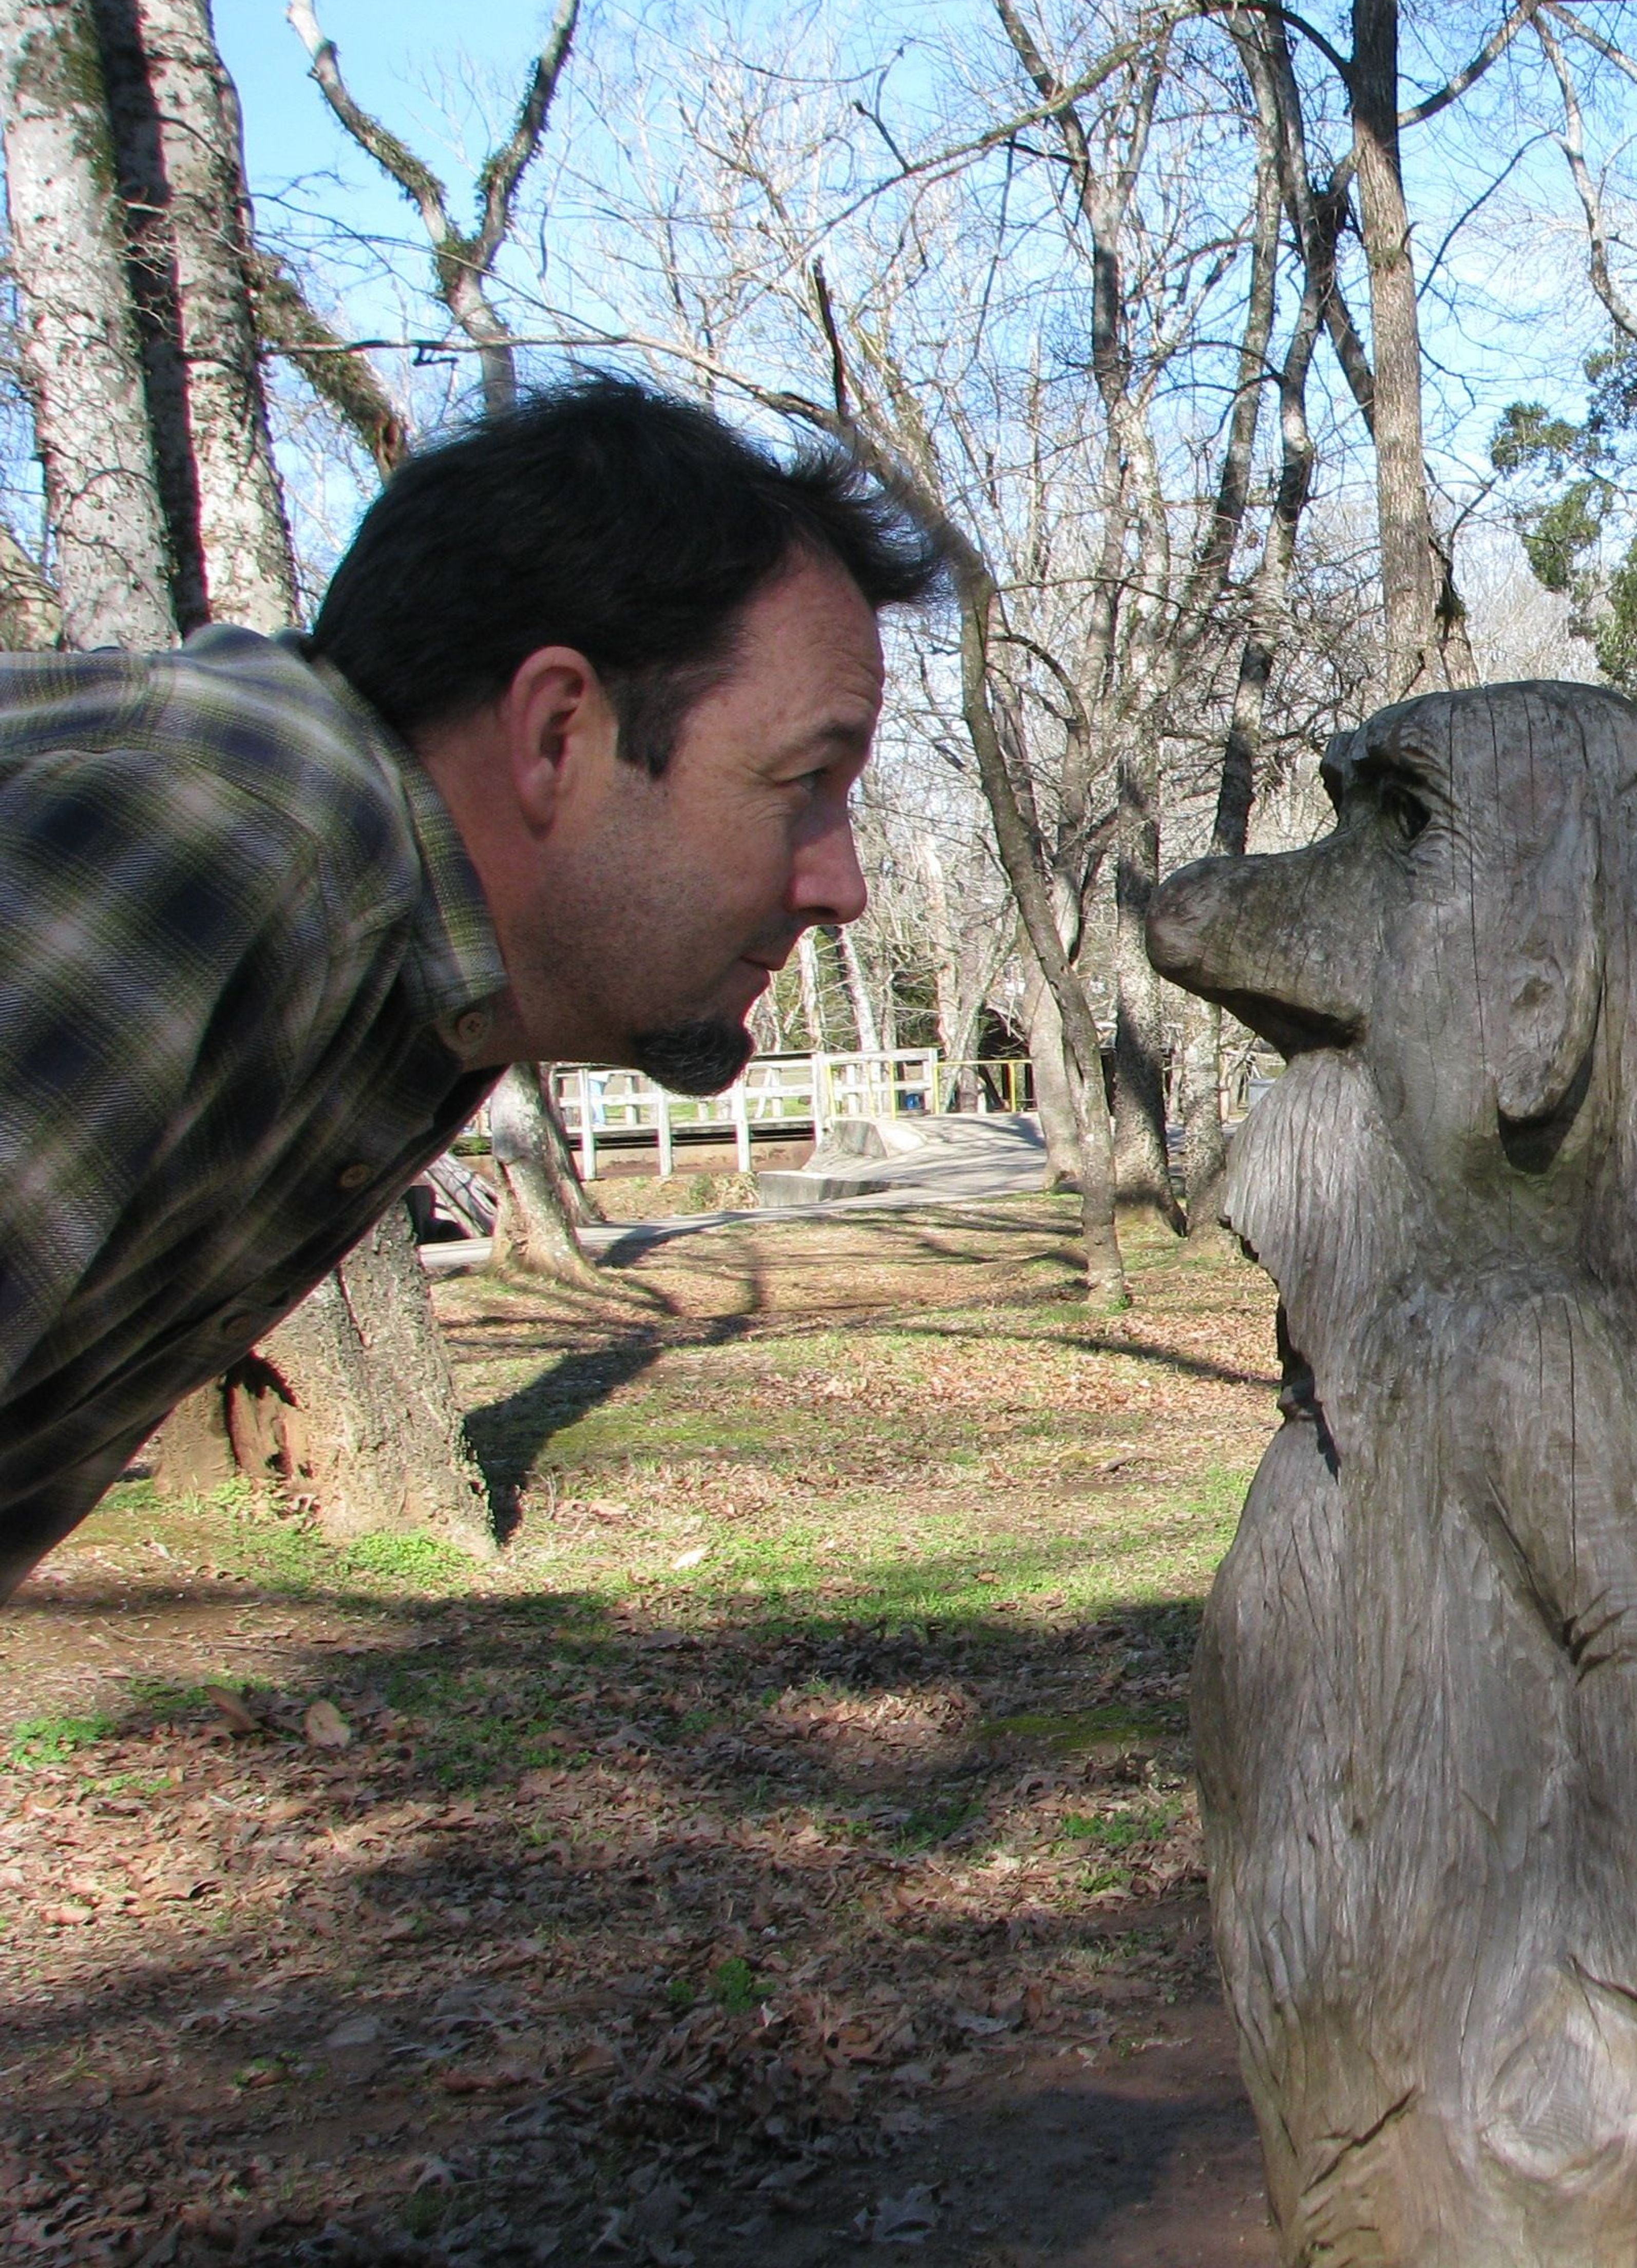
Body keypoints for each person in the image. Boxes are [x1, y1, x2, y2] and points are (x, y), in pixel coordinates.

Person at [0, 377, 941, 1598]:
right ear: (558, 735)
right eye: (804, 780)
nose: (842, 884)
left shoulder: (395, 955)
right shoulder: (221, 840)